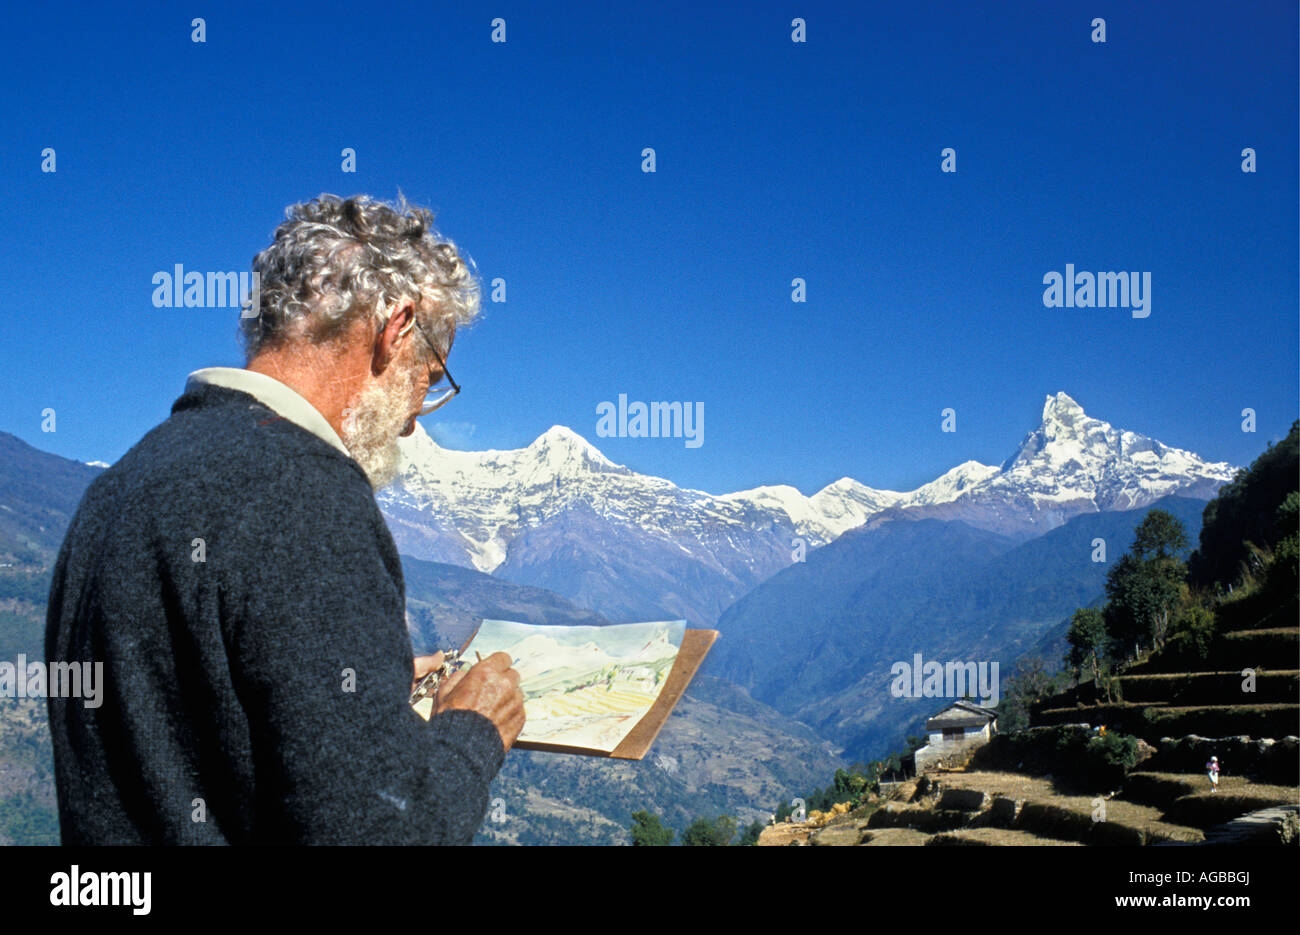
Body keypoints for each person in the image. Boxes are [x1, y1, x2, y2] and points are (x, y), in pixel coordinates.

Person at [45, 194, 526, 844]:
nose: (415, 418)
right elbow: (383, 833)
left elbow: (193, 714)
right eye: (429, 376)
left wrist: (358, 676)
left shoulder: (116, 487)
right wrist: (472, 734)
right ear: (397, 329)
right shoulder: (307, 490)